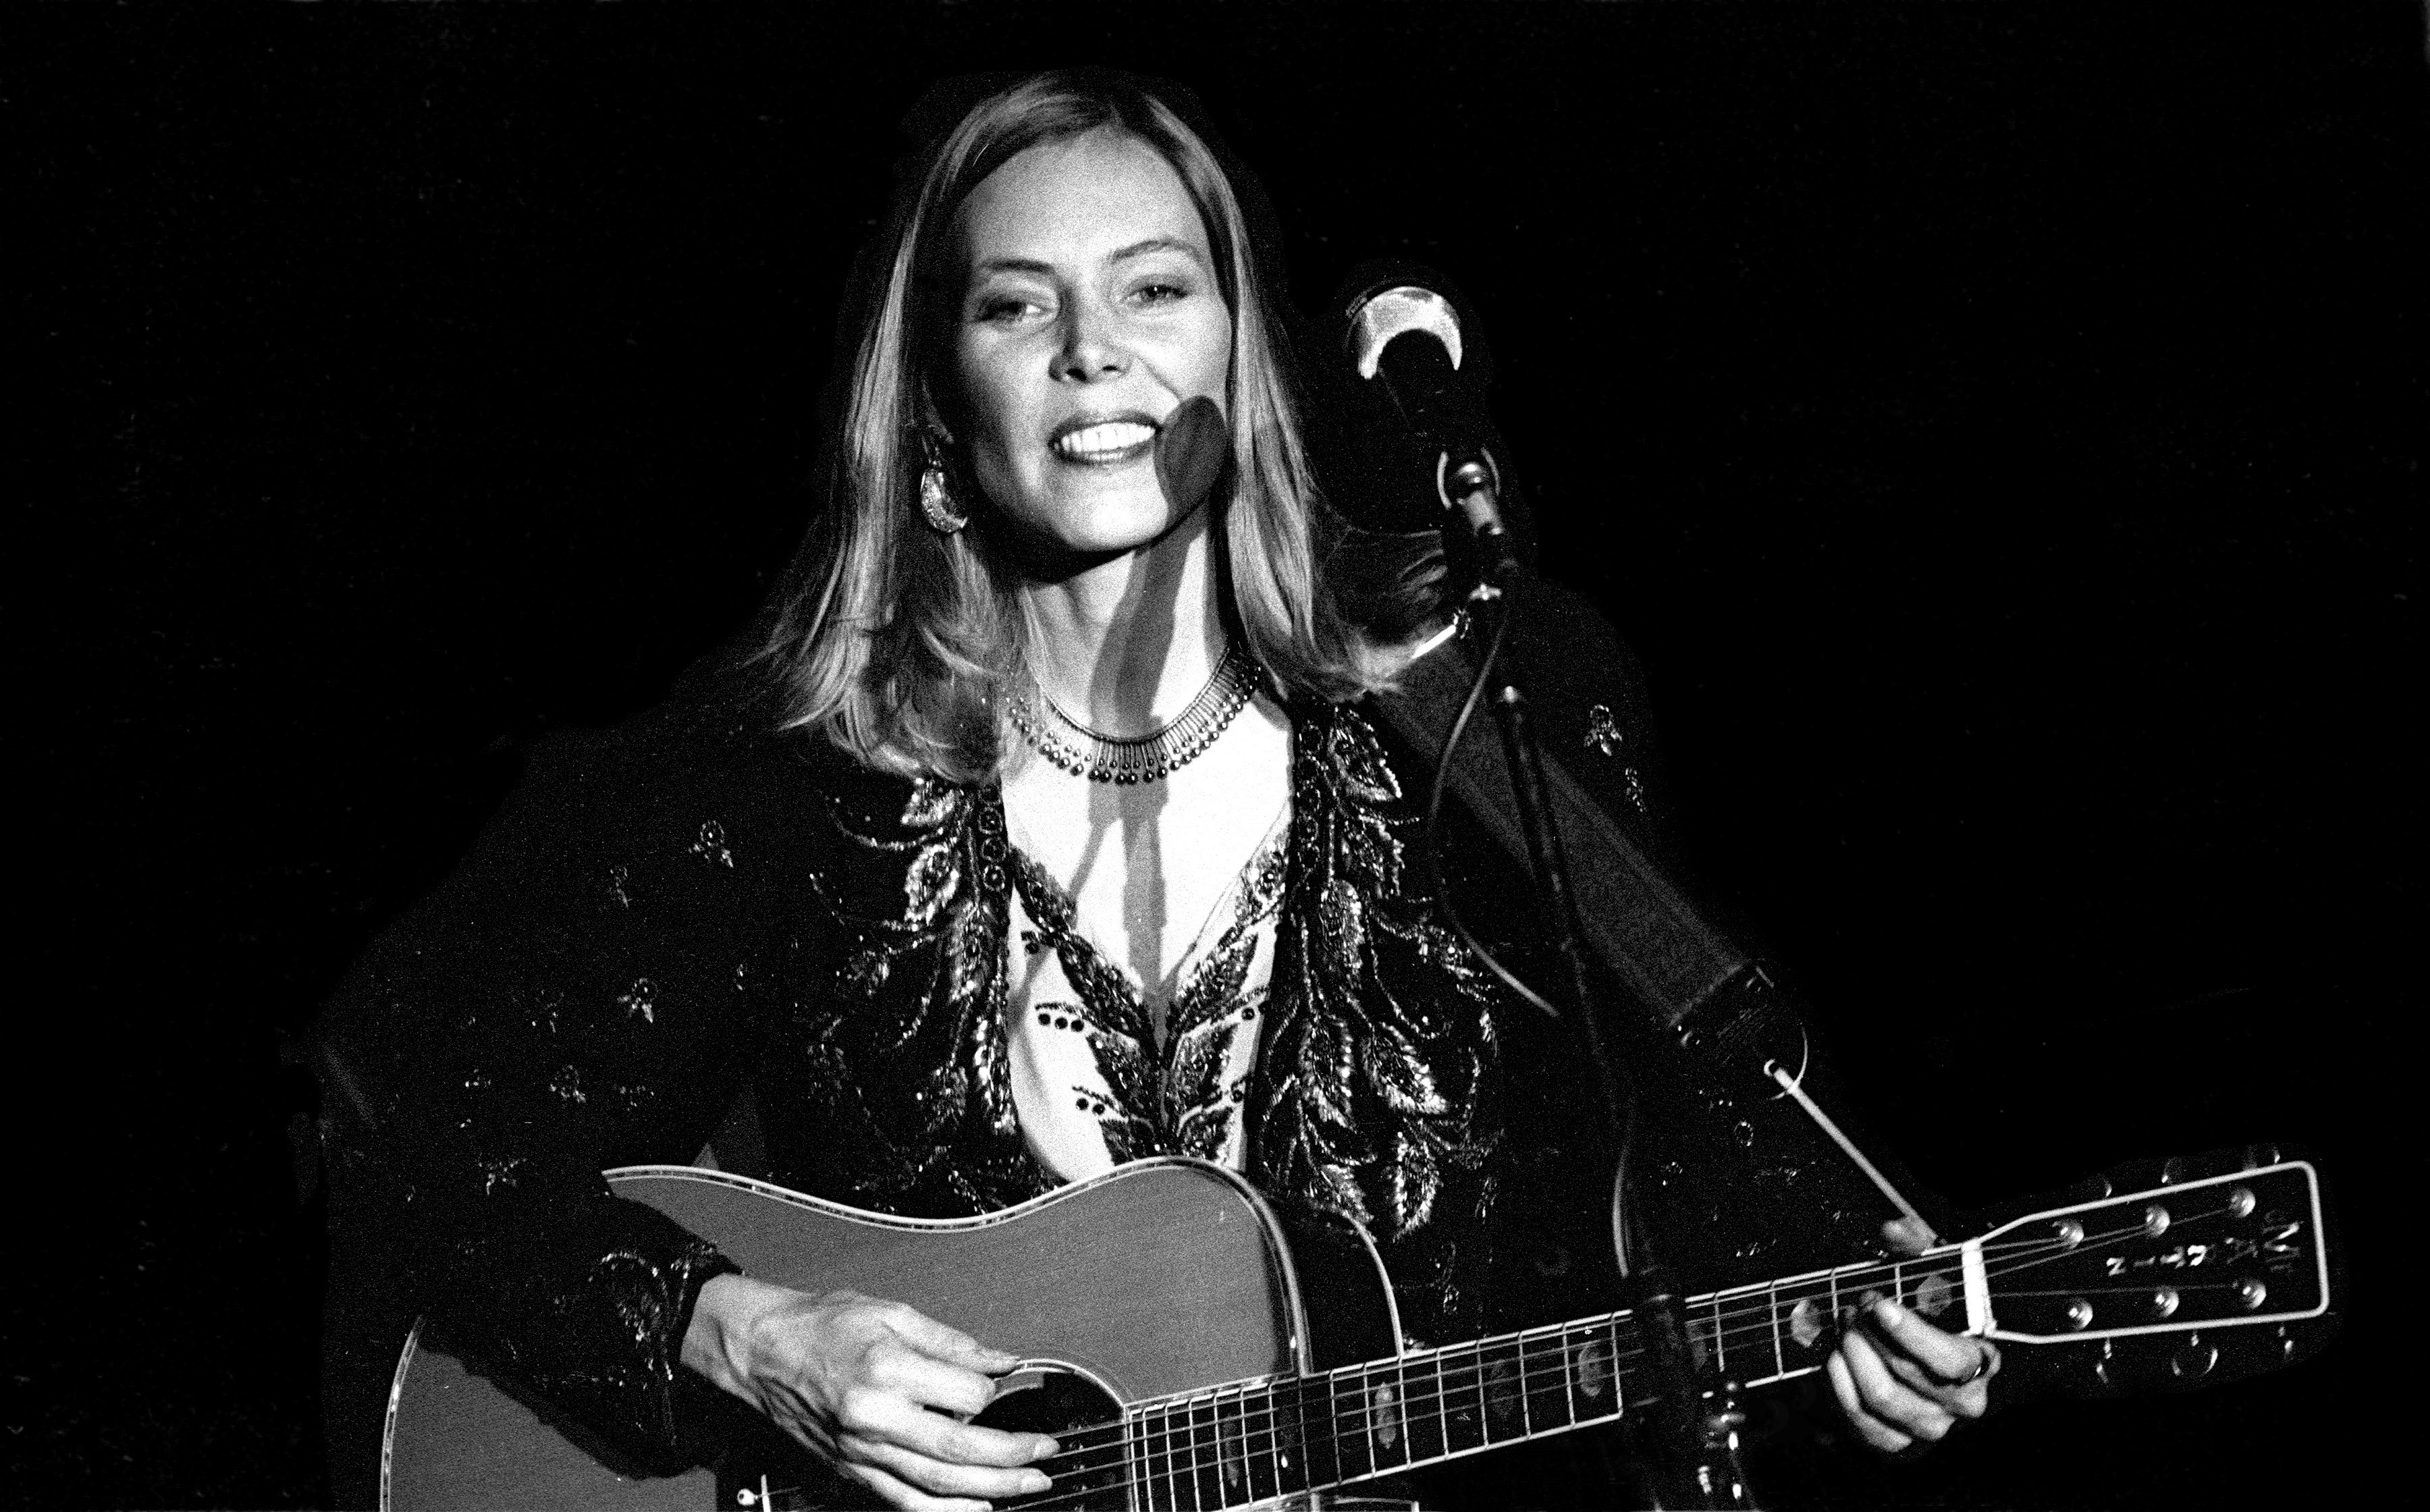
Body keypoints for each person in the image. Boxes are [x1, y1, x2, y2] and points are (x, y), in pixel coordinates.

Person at [317, 68, 1995, 1511]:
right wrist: (747, 1335)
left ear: (1245, 356)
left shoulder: (1487, 695)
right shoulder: (788, 771)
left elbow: (1689, 1167)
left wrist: (1843, 1304)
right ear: (936, 410)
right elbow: (420, 1140)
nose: (1092, 353)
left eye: (1156, 290)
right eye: (1015, 302)